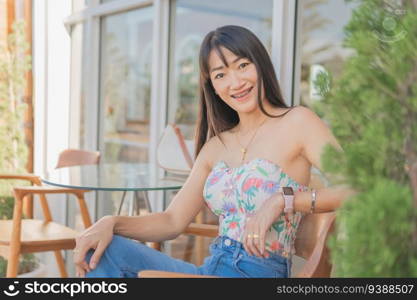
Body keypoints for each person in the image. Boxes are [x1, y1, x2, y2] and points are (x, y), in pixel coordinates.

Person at [73, 25, 356, 278]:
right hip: (212, 267)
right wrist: (109, 222)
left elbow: (357, 188)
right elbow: (172, 221)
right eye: (221, 74)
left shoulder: (298, 122)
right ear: (213, 86)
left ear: (261, 66)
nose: (235, 82)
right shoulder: (215, 146)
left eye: (242, 65)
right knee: (105, 250)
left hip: (257, 272)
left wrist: (284, 201)